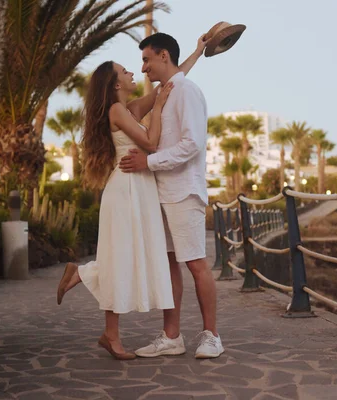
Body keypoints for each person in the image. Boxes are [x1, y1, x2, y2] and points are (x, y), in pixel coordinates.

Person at [56, 36, 208, 360]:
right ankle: (106, 323)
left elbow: (172, 79)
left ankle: (96, 303)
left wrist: (198, 51)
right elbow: (152, 142)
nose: (133, 72)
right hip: (125, 190)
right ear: (114, 84)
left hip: (136, 189)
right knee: (121, 257)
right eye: (125, 71)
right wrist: (161, 107)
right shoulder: (117, 110)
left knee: (123, 258)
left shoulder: (127, 108)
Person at [118, 33, 224, 359]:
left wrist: (147, 162)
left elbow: (192, 144)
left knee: (196, 264)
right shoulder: (166, 91)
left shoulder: (187, 91)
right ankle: (172, 336)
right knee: (169, 267)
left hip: (183, 192)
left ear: (164, 56)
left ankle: (212, 336)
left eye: (147, 59)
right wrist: (198, 50)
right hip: (161, 193)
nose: (143, 67)